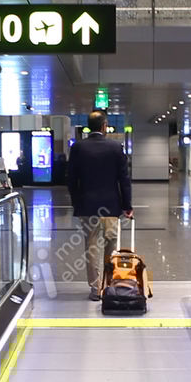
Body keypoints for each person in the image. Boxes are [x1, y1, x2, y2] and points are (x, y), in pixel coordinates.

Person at [67, 111, 133, 301]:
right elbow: (124, 179)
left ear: (89, 126)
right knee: (111, 244)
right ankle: (109, 283)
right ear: (104, 126)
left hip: (87, 206)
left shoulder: (78, 148)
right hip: (111, 206)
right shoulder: (115, 147)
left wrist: (76, 202)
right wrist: (127, 205)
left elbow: (71, 180)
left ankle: (96, 288)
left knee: (91, 246)